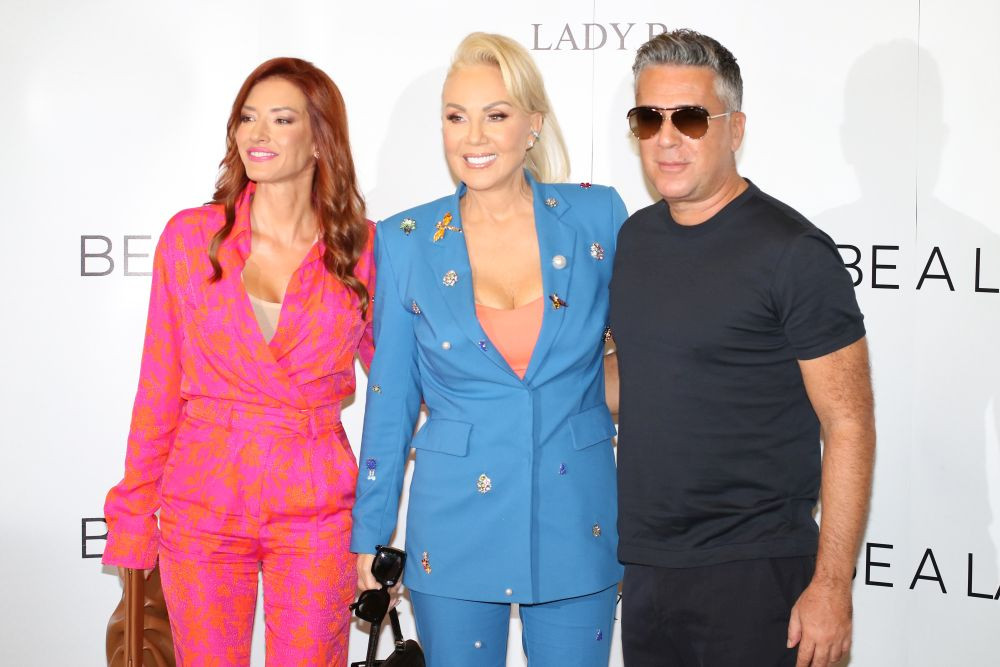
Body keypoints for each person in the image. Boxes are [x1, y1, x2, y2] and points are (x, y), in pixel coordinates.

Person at [350, 32, 627, 667]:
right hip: (453, 523)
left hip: (576, 516)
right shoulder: (406, 238)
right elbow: (391, 396)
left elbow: (650, 353)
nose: (473, 137)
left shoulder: (597, 218)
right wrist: (371, 532)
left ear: (533, 124)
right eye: (456, 117)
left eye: (495, 115)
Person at [609, 29, 876, 667]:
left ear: (735, 129)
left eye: (690, 118)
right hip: (647, 567)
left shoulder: (793, 253)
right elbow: (640, 385)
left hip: (758, 572)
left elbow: (849, 423)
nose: (666, 138)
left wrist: (832, 585)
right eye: (648, 118)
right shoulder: (635, 240)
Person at [102, 57, 374, 665]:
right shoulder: (190, 239)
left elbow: (396, 386)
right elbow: (159, 386)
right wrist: (133, 513)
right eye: (248, 118)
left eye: (282, 119)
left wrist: (381, 514)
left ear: (320, 139)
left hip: (315, 503)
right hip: (203, 495)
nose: (258, 133)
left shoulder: (362, 249)